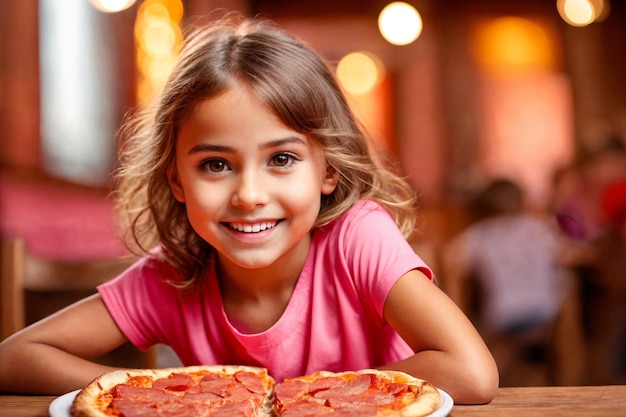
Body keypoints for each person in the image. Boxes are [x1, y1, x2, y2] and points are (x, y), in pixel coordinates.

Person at [0, 14, 498, 403]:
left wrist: (306, 396)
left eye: (281, 159)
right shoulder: (174, 275)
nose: (249, 195)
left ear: (328, 171)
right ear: (176, 178)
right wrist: (165, 394)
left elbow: (472, 375)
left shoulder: (357, 239)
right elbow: (16, 356)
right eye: (216, 165)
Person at [442, 179, 571, 385]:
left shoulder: (480, 234)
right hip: (546, 310)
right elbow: (565, 254)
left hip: (503, 314)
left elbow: (450, 260)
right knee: (565, 286)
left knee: (493, 347)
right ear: (521, 203)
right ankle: (565, 376)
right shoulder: (538, 228)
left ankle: (492, 377)